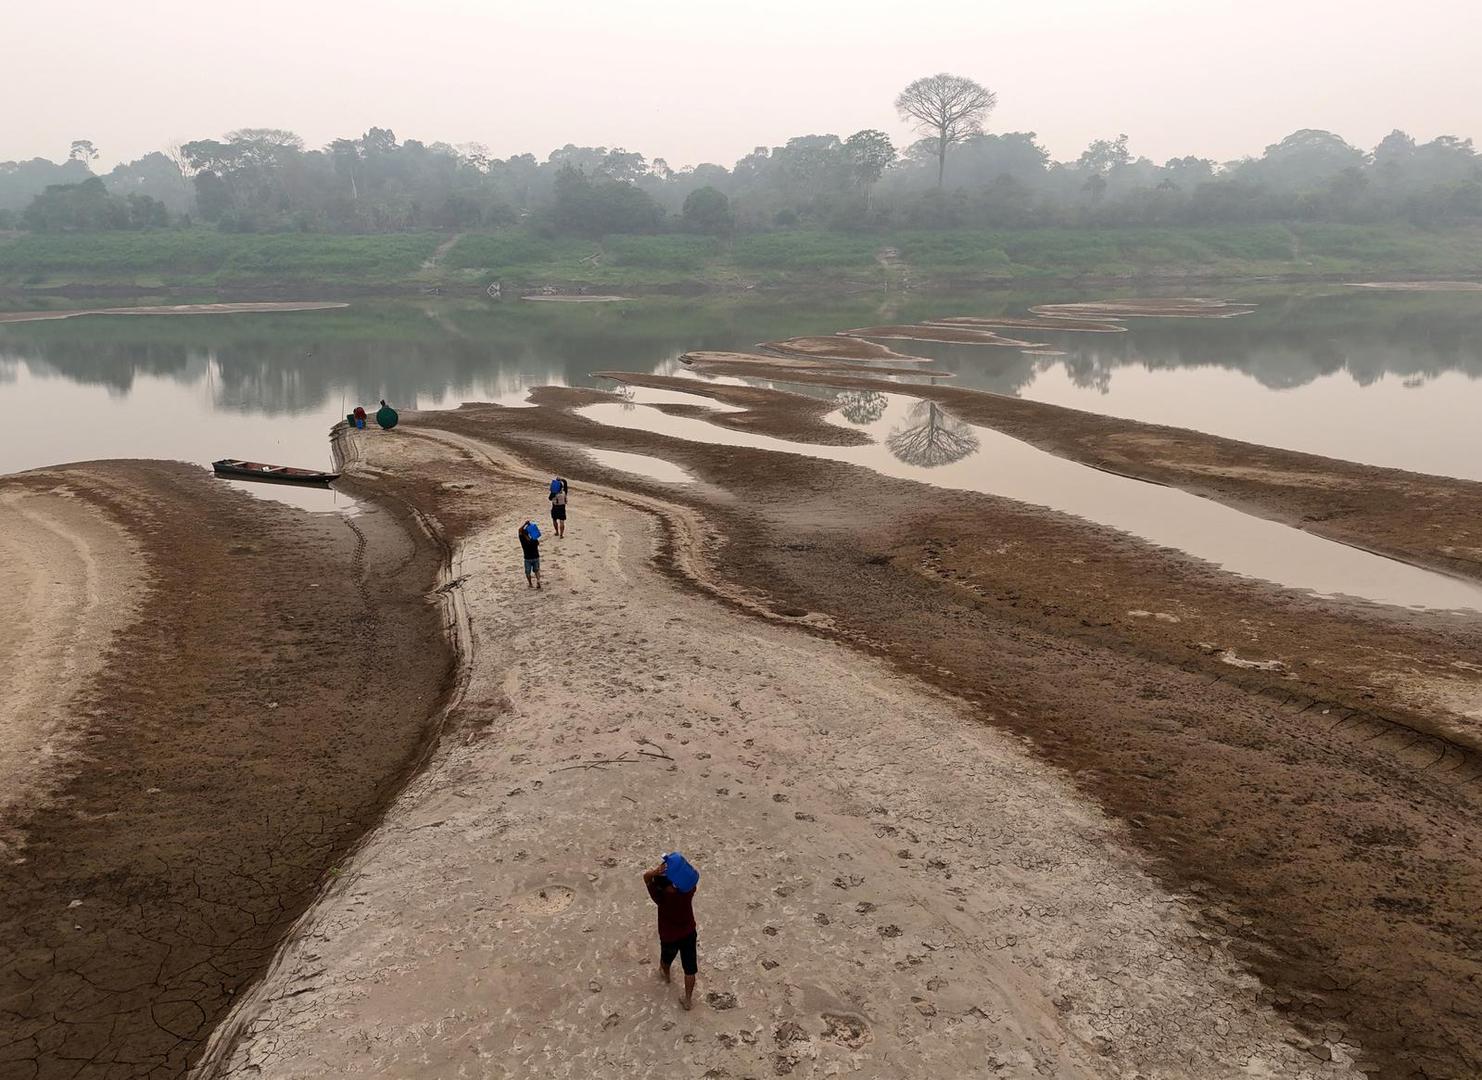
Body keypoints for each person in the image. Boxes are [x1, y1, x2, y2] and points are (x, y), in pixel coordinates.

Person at [643, 852, 700, 1010]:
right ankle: (688, 1000)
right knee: (690, 969)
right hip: (689, 932)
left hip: (669, 936)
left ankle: (665, 975)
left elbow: (646, 877)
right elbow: (690, 880)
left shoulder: (660, 898)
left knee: (665, 960)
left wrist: (655, 872)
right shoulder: (688, 892)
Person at [518, 520, 542, 590]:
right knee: (537, 570)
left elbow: (519, 530)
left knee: (528, 572)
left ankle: (530, 584)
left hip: (527, 558)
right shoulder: (534, 540)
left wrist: (525, 524)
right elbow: (538, 543)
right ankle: (538, 581)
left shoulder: (522, 540)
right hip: (536, 556)